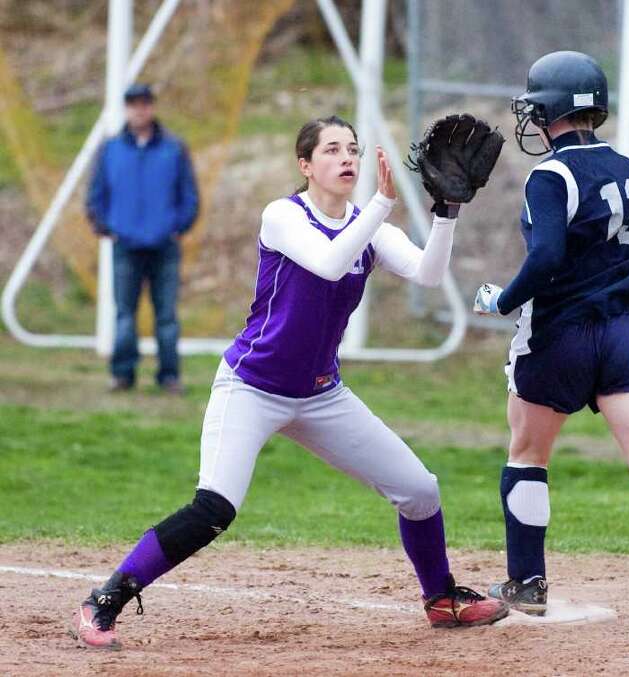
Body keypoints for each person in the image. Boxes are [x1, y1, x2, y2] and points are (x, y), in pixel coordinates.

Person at [71, 116, 508, 650]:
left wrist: (447, 213)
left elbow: (429, 275)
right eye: (331, 150)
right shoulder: (283, 215)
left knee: (420, 490)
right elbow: (327, 263)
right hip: (251, 386)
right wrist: (380, 207)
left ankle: (440, 599)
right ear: (305, 165)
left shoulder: (372, 230)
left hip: (321, 394)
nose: (346, 158)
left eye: (351, 148)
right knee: (214, 508)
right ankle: (107, 598)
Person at [472, 51, 629, 616]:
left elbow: (548, 254)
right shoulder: (627, 166)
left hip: (559, 334)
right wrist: (623, 296)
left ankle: (527, 584)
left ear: (549, 108)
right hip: (627, 333)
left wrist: (503, 298)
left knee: (528, 453)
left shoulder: (550, 175)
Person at [86, 83, 199, 394]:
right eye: (133, 104)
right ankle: (123, 374)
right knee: (124, 314)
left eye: (145, 103)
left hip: (165, 247)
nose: (140, 109)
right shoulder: (110, 149)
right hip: (125, 246)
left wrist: (179, 226)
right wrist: (106, 227)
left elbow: (189, 195)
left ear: (152, 107)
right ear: (127, 108)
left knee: (166, 317)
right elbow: (96, 195)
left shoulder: (174, 148)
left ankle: (169, 376)